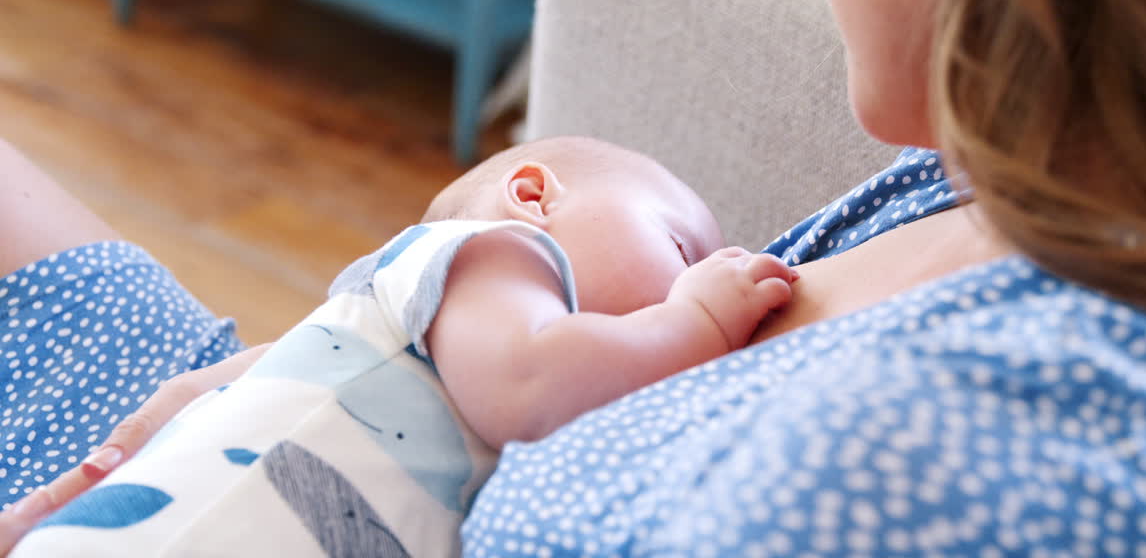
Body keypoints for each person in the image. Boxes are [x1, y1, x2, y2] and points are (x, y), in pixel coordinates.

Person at [2, 0, 1146, 555]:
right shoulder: (1005, 188)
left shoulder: (969, 448)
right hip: (248, 464)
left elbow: (519, 382)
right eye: (678, 244)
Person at [8, 136, 796, 557]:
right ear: (532, 198)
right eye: (681, 249)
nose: (685, 279)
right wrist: (698, 321)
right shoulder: (485, 255)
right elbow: (527, 384)